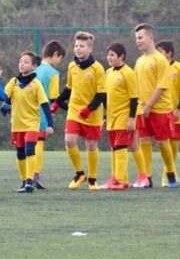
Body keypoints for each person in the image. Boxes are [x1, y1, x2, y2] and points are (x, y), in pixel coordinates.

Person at [53, 32, 106, 191]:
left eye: (82, 46)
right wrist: (57, 102)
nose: (78, 49)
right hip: (75, 110)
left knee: (91, 145)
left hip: (92, 113)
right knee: (69, 141)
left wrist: (89, 109)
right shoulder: (72, 66)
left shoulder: (97, 68)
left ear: (90, 48)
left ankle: (93, 178)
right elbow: (69, 88)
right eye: (76, 46)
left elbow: (102, 93)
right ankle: (79, 174)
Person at [133, 23, 178, 188]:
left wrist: (149, 105)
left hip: (160, 109)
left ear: (150, 38)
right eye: (136, 38)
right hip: (142, 108)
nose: (137, 41)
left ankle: (171, 173)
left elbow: (162, 85)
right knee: (143, 140)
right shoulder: (139, 61)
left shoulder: (160, 60)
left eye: (140, 37)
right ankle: (147, 177)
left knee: (162, 142)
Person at [4, 52, 54, 193]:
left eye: (26, 62)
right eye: (20, 61)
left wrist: (50, 124)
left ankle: (30, 181)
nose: (21, 64)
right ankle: (23, 181)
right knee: (20, 153)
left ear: (33, 66)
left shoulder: (36, 84)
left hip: (32, 124)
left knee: (29, 150)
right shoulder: (14, 82)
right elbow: (4, 96)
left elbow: (45, 105)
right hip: (17, 124)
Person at [100, 42, 148, 190]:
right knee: (120, 146)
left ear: (121, 56)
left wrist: (131, 118)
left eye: (112, 55)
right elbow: (107, 97)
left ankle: (125, 179)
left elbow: (134, 97)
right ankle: (119, 178)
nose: (109, 57)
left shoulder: (128, 73)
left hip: (127, 115)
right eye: (108, 55)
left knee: (122, 146)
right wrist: (106, 116)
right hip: (114, 116)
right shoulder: (108, 73)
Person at [156, 40, 180, 186]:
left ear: (169, 53)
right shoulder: (157, 69)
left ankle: (168, 173)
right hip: (163, 112)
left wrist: (178, 109)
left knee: (174, 146)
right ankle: (170, 173)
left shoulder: (179, 67)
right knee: (164, 144)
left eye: (160, 52)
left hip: (177, 114)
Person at [33, 39, 65, 190]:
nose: (59, 62)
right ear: (55, 55)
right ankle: (35, 175)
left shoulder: (35, 69)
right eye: (60, 58)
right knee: (39, 142)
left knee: (29, 145)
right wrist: (68, 107)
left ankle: (27, 174)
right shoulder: (53, 73)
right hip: (41, 113)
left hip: (27, 112)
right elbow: (53, 98)